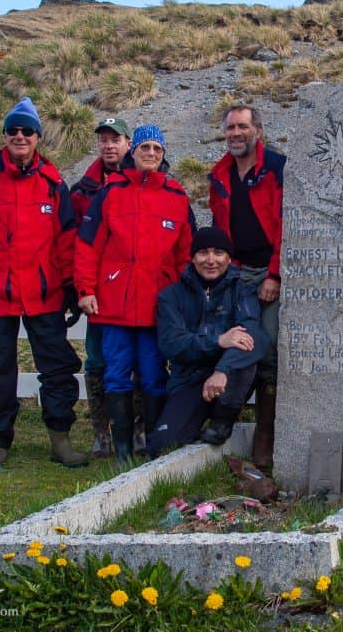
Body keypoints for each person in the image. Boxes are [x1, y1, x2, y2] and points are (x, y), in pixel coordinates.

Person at [0, 96, 86, 469]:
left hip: (45, 295)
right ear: (5, 135)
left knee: (58, 368)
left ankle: (60, 439)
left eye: (28, 130)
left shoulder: (52, 181)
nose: (20, 136)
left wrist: (72, 285)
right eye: (13, 130)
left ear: (38, 136)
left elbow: (66, 238)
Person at [75, 124, 195, 465]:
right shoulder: (110, 193)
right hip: (115, 302)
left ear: (164, 154)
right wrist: (85, 289)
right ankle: (123, 450)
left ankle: (153, 445)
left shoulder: (176, 196)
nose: (151, 154)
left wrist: (183, 297)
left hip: (157, 303)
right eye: (145, 148)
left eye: (157, 149)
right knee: (116, 372)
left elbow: (185, 254)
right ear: (134, 151)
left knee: (155, 373)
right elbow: (87, 245)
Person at [208, 105, 284, 469]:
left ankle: (265, 437)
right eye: (230, 128)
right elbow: (219, 227)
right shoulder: (219, 174)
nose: (236, 133)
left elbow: (286, 223)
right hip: (237, 272)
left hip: (268, 271)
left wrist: (275, 274)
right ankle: (229, 416)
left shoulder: (277, 168)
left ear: (258, 130)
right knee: (238, 338)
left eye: (243, 127)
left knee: (266, 346)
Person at [152, 227, 268, 454]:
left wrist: (222, 369)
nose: (211, 260)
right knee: (162, 445)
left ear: (228, 257)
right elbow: (172, 343)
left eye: (218, 253)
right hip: (189, 379)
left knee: (245, 353)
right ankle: (191, 424)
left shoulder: (243, 290)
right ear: (193, 257)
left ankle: (222, 423)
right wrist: (218, 340)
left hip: (227, 380)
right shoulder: (170, 296)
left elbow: (255, 336)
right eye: (203, 253)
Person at [70, 117, 131, 459]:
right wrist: (79, 288)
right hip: (99, 292)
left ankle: (136, 428)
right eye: (103, 140)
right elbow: (75, 243)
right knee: (96, 360)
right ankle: (100, 433)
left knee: (137, 359)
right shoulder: (82, 191)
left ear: (127, 143)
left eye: (116, 139)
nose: (109, 145)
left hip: (136, 288)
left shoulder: (146, 181)